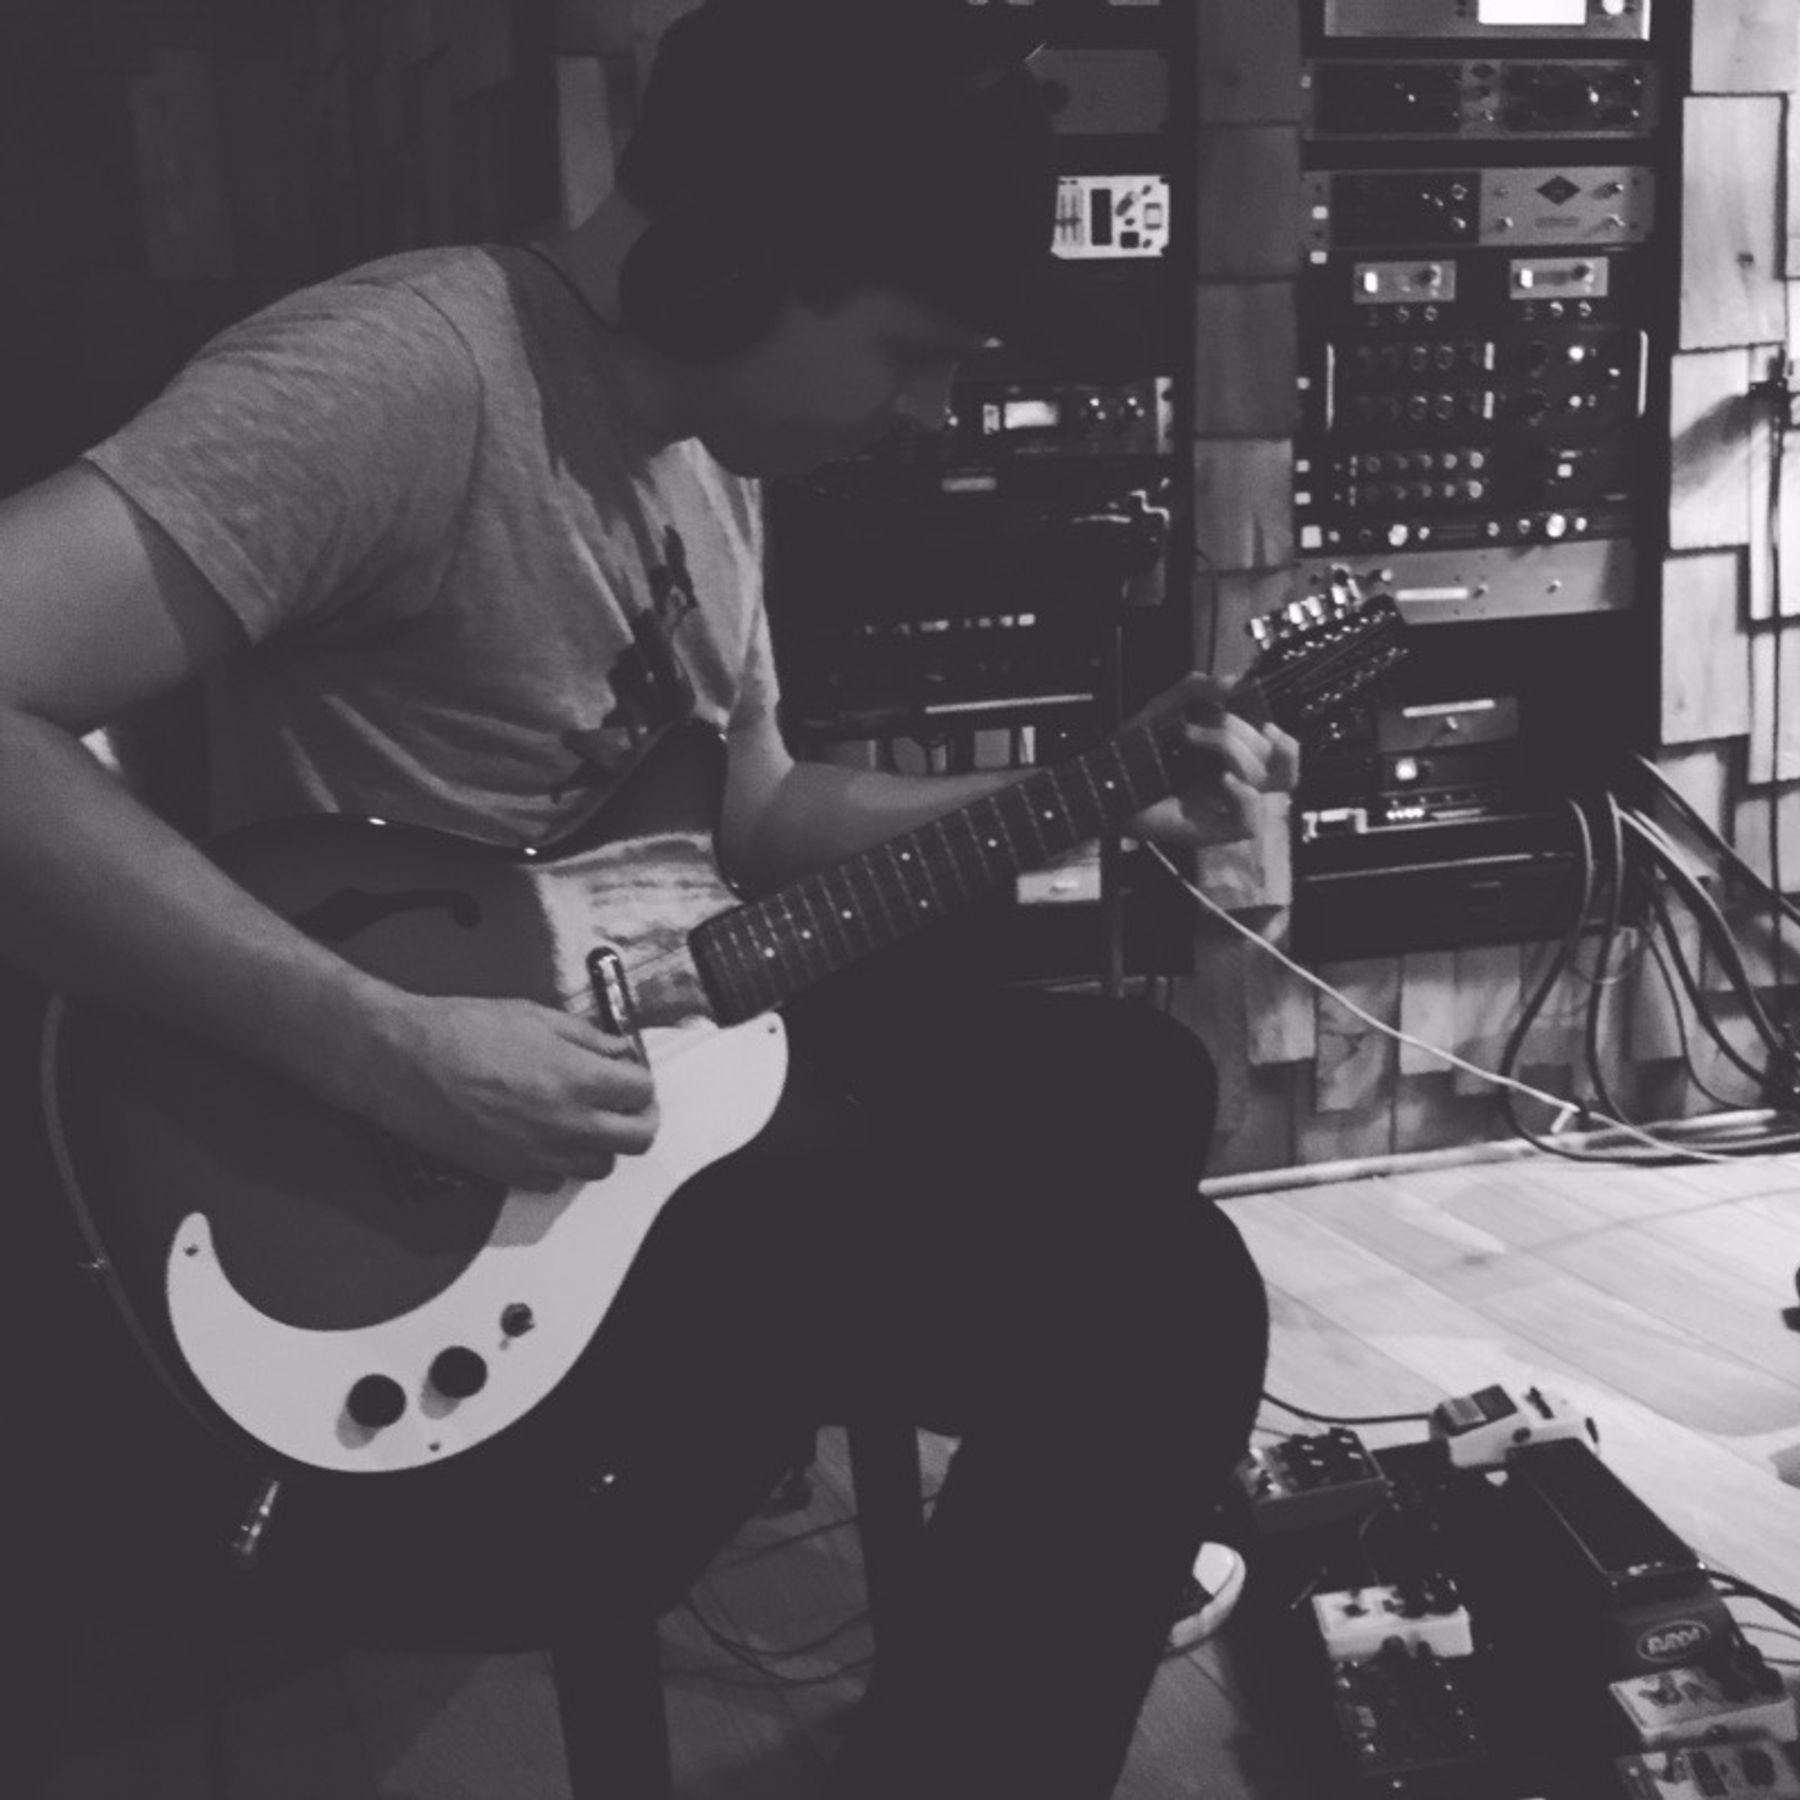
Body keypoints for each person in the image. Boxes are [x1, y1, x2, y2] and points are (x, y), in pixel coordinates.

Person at [0, 0, 1297, 1794]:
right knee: (1163, 1309)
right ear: (738, 258)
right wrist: (386, 1047)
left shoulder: (709, 453)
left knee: (1136, 1085)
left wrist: (1096, 789)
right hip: (406, 1177)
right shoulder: (401, 379)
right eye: (909, 352)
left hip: (639, 1067)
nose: (927, 413)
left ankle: (988, 1647)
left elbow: (748, 814)